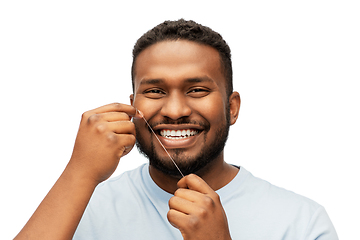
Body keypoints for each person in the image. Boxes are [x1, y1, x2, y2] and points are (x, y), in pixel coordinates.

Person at [14, 19, 338, 240]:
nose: (175, 111)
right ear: (132, 105)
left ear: (232, 107)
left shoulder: (302, 223)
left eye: (197, 89)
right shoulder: (82, 206)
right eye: (155, 91)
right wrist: (79, 171)